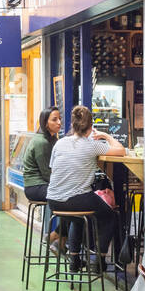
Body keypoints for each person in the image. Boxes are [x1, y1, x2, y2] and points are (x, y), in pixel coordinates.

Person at [46, 106, 125, 267]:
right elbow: (121, 150)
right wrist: (105, 135)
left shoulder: (60, 143)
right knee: (110, 216)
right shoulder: (92, 145)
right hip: (75, 200)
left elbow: (54, 170)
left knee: (77, 218)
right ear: (90, 126)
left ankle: (74, 260)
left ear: (73, 124)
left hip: (53, 200)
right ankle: (100, 261)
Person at [23, 107, 62, 203]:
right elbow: (46, 173)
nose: (59, 122)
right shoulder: (41, 142)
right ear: (45, 123)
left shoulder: (52, 139)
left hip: (43, 185)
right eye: (54, 119)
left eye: (60, 119)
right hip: (35, 187)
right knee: (68, 195)